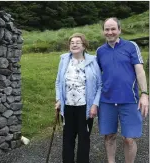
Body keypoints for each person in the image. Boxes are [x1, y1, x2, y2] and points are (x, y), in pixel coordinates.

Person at [96, 17, 149, 163]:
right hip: (106, 101)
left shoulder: (131, 46)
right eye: (107, 29)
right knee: (109, 136)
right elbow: (95, 75)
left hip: (129, 100)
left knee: (129, 139)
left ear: (119, 30)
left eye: (113, 29)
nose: (110, 32)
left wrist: (144, 94)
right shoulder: (100, 51)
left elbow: (140, 71)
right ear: (103, 31)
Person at [55, 33, 102, 163]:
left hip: (85, 107)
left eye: (78, 42)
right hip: (68, 106)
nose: (74, 44)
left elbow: (99, 85)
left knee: (84, 138)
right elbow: (58, 82)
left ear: (84, 46)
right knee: (68, 138)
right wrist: (59, 99)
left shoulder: (92, 61)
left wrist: (95, 104)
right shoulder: (64, 60)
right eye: (72, 42)